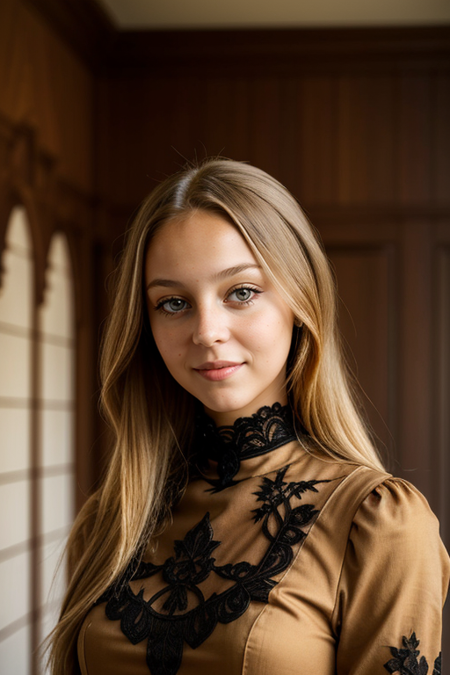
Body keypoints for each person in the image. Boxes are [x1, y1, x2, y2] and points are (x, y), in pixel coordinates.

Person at [49, 158, 449, 675]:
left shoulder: (375, 523)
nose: (206, 331)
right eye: (172, 303)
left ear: (300, 300)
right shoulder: (112, 519)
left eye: (241, 292)